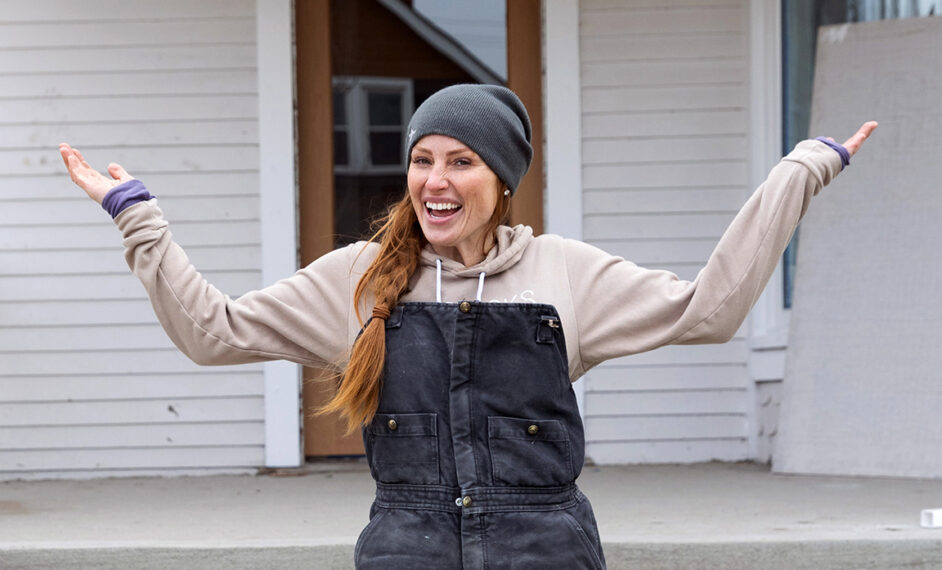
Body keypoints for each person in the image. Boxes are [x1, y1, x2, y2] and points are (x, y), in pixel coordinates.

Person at [60, 84, 876, 569]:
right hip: (405, 551)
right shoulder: (356, 278)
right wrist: (140, 219)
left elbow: (711, 309)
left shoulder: (565, 273)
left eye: (461, 161)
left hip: (545, 554)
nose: (435, 180)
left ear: (502, 179)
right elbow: (214, 333)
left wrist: (798, 174)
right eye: (422, 159)